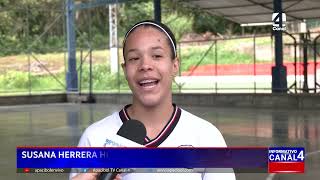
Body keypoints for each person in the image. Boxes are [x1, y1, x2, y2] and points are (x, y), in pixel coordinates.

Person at [70, 20, 236, 180]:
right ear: (125, 69)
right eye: (134, 58)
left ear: (175, 65)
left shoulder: (207, 137)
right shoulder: (94, 138)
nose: (145, 65)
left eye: (156, 55)